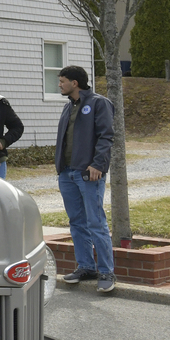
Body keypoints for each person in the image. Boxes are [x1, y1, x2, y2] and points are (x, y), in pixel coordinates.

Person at [55, 65, 116, 293]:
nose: (59, 85)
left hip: (89, 173)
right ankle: (86, 266)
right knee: (76, 222)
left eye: (62, 81)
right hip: (67, 173)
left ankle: (107, 271)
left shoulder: (99, 103)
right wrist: (61, 168)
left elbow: (106, 135)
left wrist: (98, 164)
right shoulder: (67, 107)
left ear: (75, 83)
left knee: (96, 222)